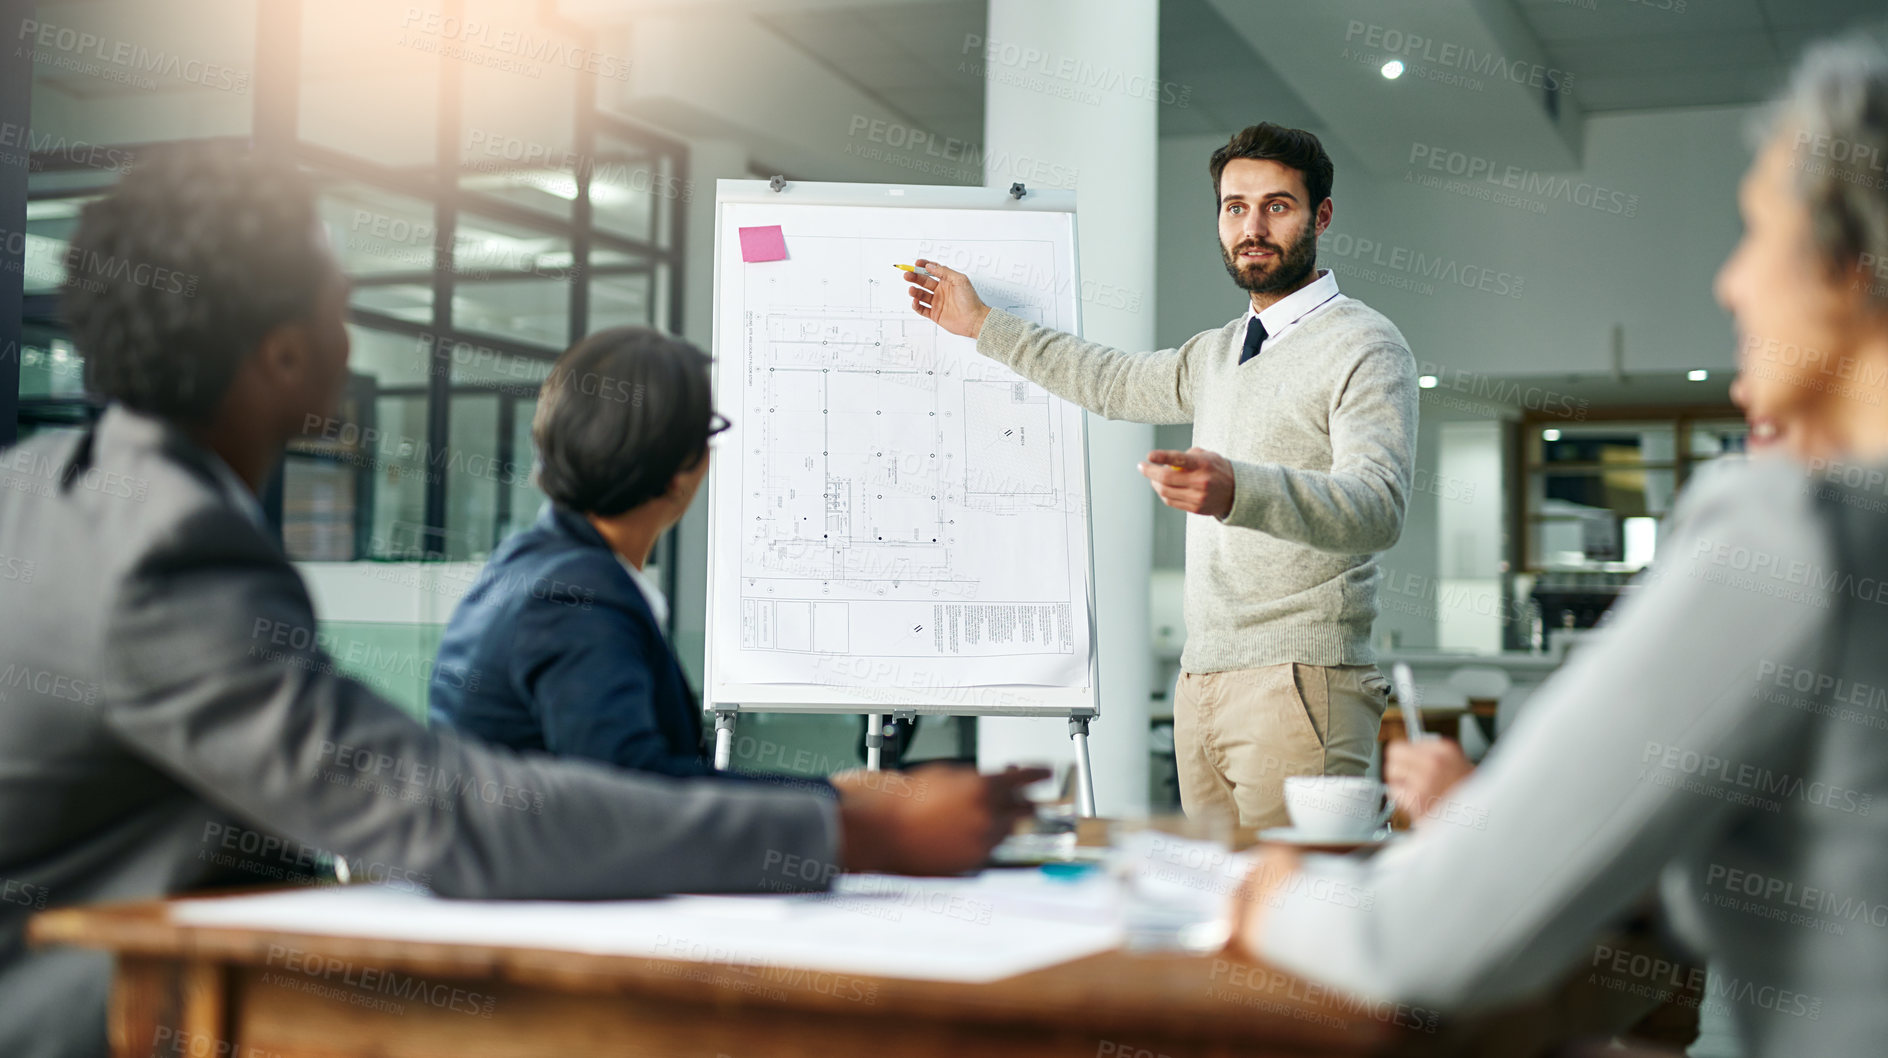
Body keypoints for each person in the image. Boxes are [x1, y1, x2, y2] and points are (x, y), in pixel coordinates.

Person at [0, 145, 1044, 1058]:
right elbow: (437, 806)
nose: (349, 325)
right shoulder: (167, 551)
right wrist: (842, 825)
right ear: (280, 352)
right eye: (335, 295)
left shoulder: (47, 484)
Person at [1232, 40, 1888, 1058]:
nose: (1730, 281)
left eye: (1757, 232)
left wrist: (1257, 889)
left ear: (1851, 266)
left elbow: (1414, 945)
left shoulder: (1796, 527)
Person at [904, 124, 1418, 830]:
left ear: (1320, 216)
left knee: (1300, 921)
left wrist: (1240, 489)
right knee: (1218, 925)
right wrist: (984, 325)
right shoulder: (1219, 353)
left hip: (1302, 679)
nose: (1253, 227)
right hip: (1201, 681)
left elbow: (1378, 506)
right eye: (1235, 207)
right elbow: (1111, 382)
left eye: (1277, 206)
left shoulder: (1365, 343)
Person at [428, 327, 735, 776]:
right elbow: (633, 794)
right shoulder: (575, 598)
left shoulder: (534, 560)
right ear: (678, 473)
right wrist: (839, 805)